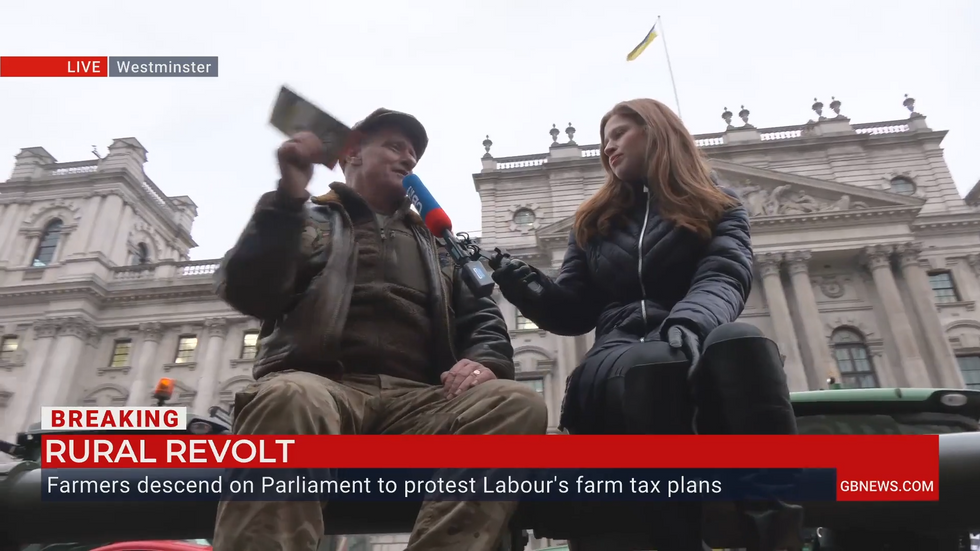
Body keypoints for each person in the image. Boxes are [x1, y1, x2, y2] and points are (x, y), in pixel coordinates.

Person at [212, 108, 548, 551]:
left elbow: (483, 319)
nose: (408, 160)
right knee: (287, 396)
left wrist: (485, 362)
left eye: (413, 155)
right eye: (394, 147)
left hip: (420, 401)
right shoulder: (305, 219)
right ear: (351, 153)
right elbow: (249, 292)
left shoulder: (441, 244)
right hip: (324, 386)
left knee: (517, 402)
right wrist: (289, 197)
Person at [490, 98, 803, 551]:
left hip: (690, 338)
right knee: (656, 362)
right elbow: (573, 312)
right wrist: (526, 285)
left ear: (656, 132)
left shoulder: (720, 205)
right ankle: (678, 540)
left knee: (745, 341)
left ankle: (776, 539)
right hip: (615, 362)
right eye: (604, 142)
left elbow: (726, 273)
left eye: (618, 134)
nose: (608, 148)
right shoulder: (592, 220)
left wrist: (690, 320)